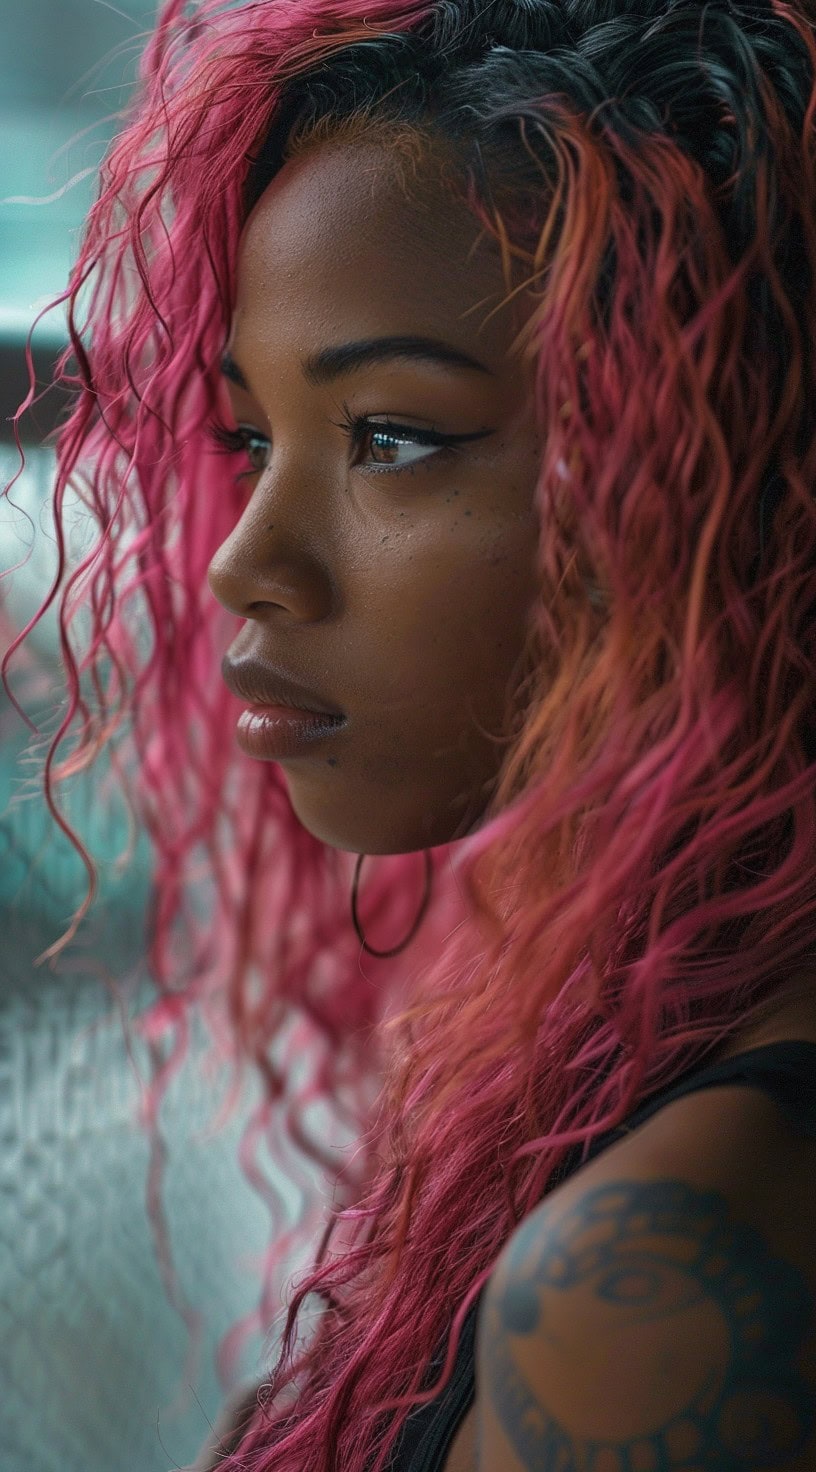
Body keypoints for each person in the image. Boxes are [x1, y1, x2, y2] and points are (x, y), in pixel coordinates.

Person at [5, 0, 816, 1469]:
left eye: (392, 435)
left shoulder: (681, 1257)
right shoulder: (619, 1024)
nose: (246, 562)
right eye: (250, 439)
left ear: (735, 473)